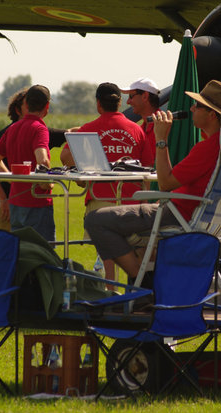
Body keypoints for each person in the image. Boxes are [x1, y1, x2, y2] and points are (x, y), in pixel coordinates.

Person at [84, 80, 221, 278]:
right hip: (205, 217)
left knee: (95, 221)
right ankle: (146, 281)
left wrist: (161, 138)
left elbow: (165, 183)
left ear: (211, 114)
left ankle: (143, 281)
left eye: (197, 105)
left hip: (178, 214)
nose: (191, 108)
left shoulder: (207, 148)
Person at [61, 82, 155, 280]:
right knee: (137, 252)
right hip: (133, 201)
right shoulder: (137, 130)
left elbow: (66, 158)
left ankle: (110, 289)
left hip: (99, 199)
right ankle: (138, 290)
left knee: (107, 251)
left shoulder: (87, 129)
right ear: (119, 103)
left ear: (98, 104)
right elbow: (147, 167)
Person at [0, 89, 68, 231]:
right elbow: (43, 161)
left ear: (27, 105)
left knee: (16, 250)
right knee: (41, 251)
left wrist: (13, 179)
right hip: (35, 202)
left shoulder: (11, 129)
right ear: (47, 107)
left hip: (15, 203)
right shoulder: (40, 129)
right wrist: (47, 184)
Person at [120, 77, 160, 152]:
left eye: (131, 96)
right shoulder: (141, 129)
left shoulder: (165, 125)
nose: (128, 102)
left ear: (145, 96)